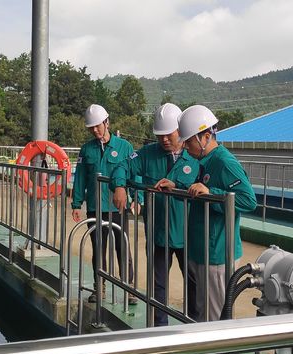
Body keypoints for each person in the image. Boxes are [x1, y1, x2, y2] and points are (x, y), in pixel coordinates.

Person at [112, 103, 199, 326]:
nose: (164, 140)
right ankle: (159, 330)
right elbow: (122, 166)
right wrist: (120, 186)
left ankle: (193, 330)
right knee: (158, 285)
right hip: (158, 233)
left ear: (180, 130)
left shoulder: (196, 155)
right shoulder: (148, 154)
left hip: (189, 233)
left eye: (168, 135)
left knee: (193, 284)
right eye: (160, 136)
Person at [178, 105, 257, 323]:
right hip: (202, 249)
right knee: (203, 308)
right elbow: (199, 191)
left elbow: (248, 200)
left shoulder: (224, 162)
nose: (185, 147)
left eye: (189, 141)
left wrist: (213, 192)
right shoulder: (204, 162)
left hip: (217, 252)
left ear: (205, 136)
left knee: (213, 316)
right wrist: (177, 187)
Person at [71, 104, 136, 304]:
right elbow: (80, 177)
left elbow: (134, 174)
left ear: (107, 122)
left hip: (118, 207)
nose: (95, 130)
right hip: (95, 206)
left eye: (98, 126)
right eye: (91, 127)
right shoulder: (87, 149)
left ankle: (129, 289)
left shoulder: (124, 147)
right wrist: (76, 202)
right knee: (98, 248)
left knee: (122, 247)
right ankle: (100, 287)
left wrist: (136, 198)